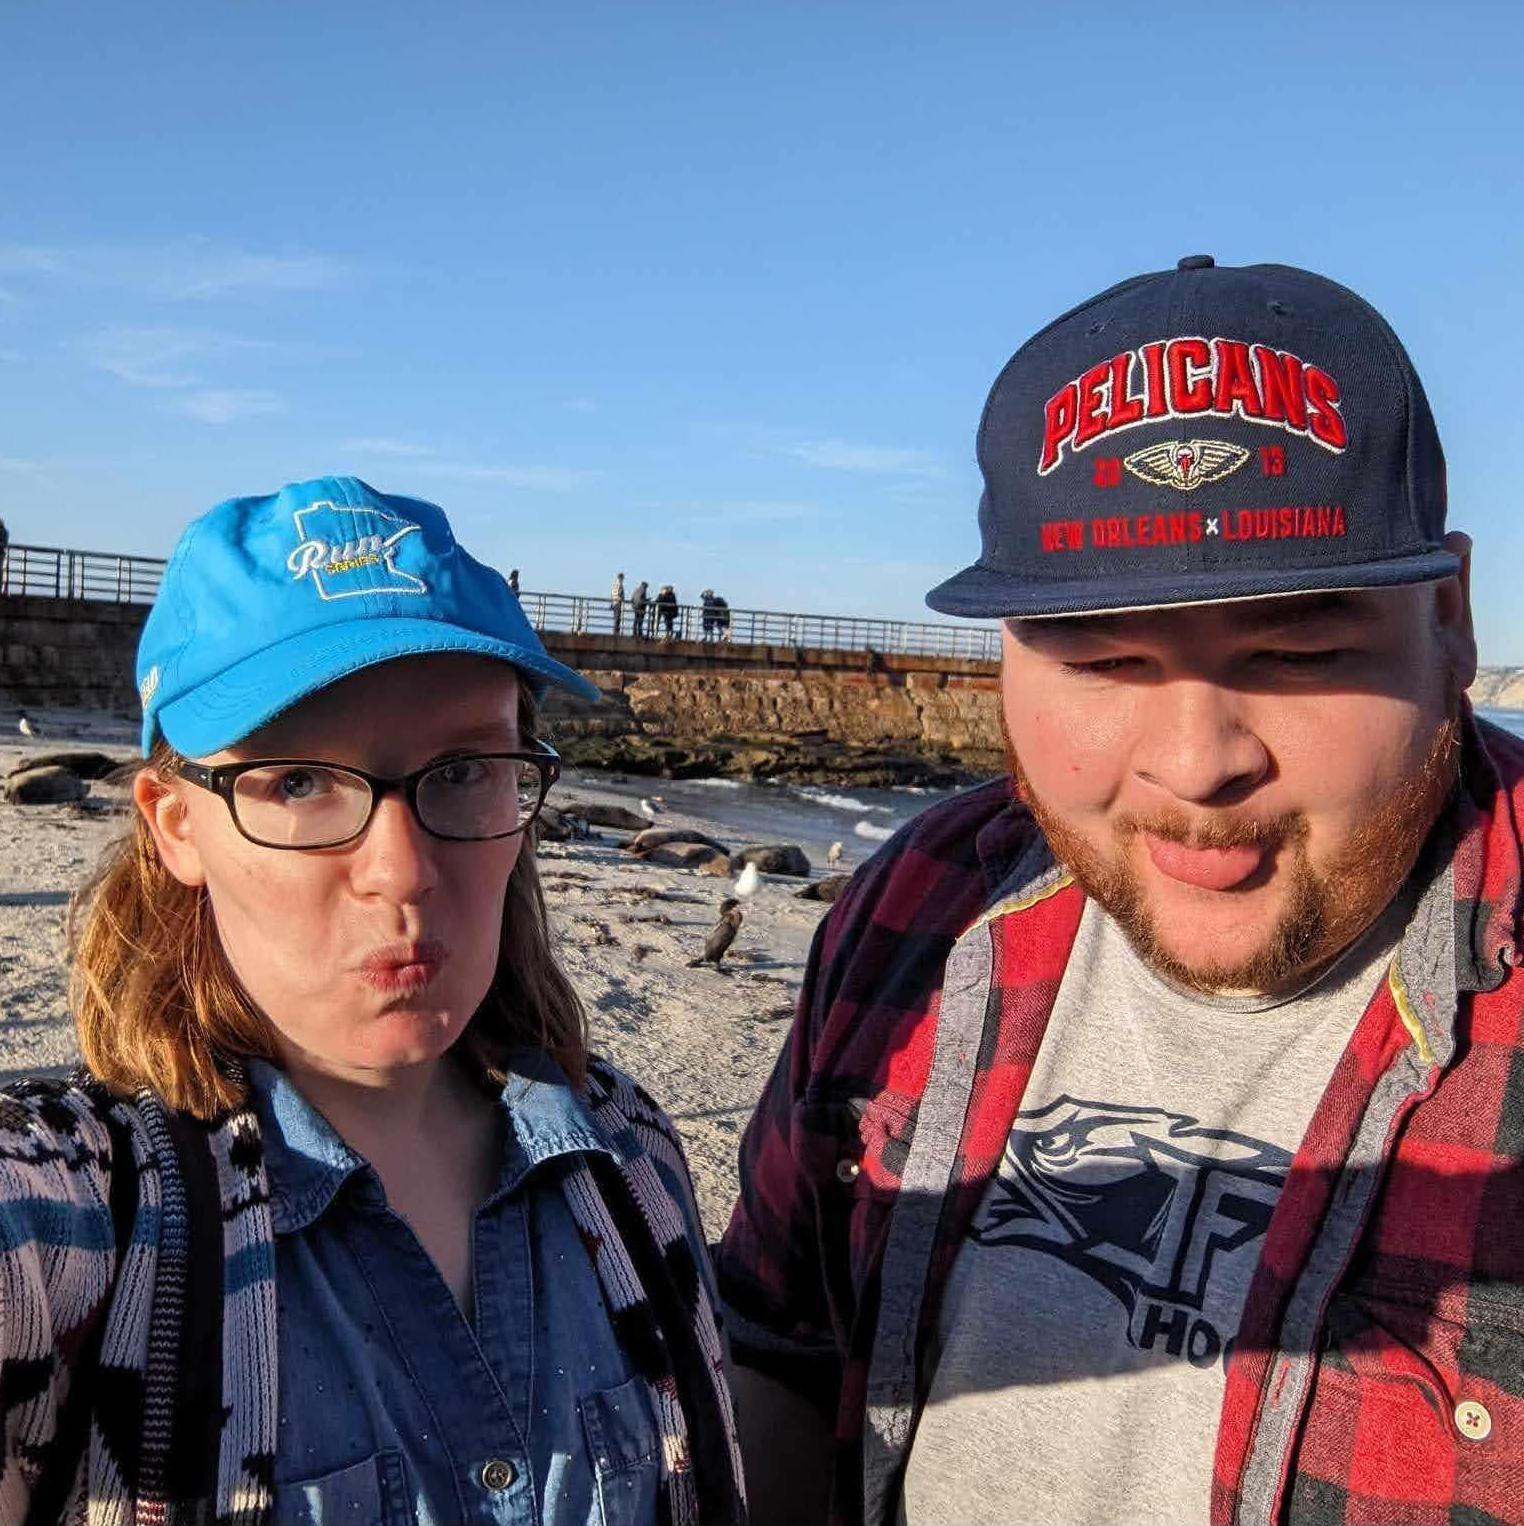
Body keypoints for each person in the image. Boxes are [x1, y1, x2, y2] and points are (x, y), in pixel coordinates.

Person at [717, 259, 1523, 1525]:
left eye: (1300, 652)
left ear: (1452, 618)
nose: (1199, 761)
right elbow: (776, 1341)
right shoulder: (921, 902)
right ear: (1007, 661)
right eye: (1105, 659)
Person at [0, 476, 745, 1524]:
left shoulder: (630, 1162)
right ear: (175, 825)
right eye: (301, 781)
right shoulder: (82, 1215)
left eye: (464, 768)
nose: (400, 871)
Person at [611, 570, 626, 636]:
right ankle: (616, 631)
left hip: (614, 602)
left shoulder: (614, 584)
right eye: (623, 578)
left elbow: (613, 593)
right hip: (618, 602)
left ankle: (616, 631)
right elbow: (619, 593)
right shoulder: (619, 584)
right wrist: (621, 598)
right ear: (621, 578)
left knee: (616, 617)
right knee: (617, 617)